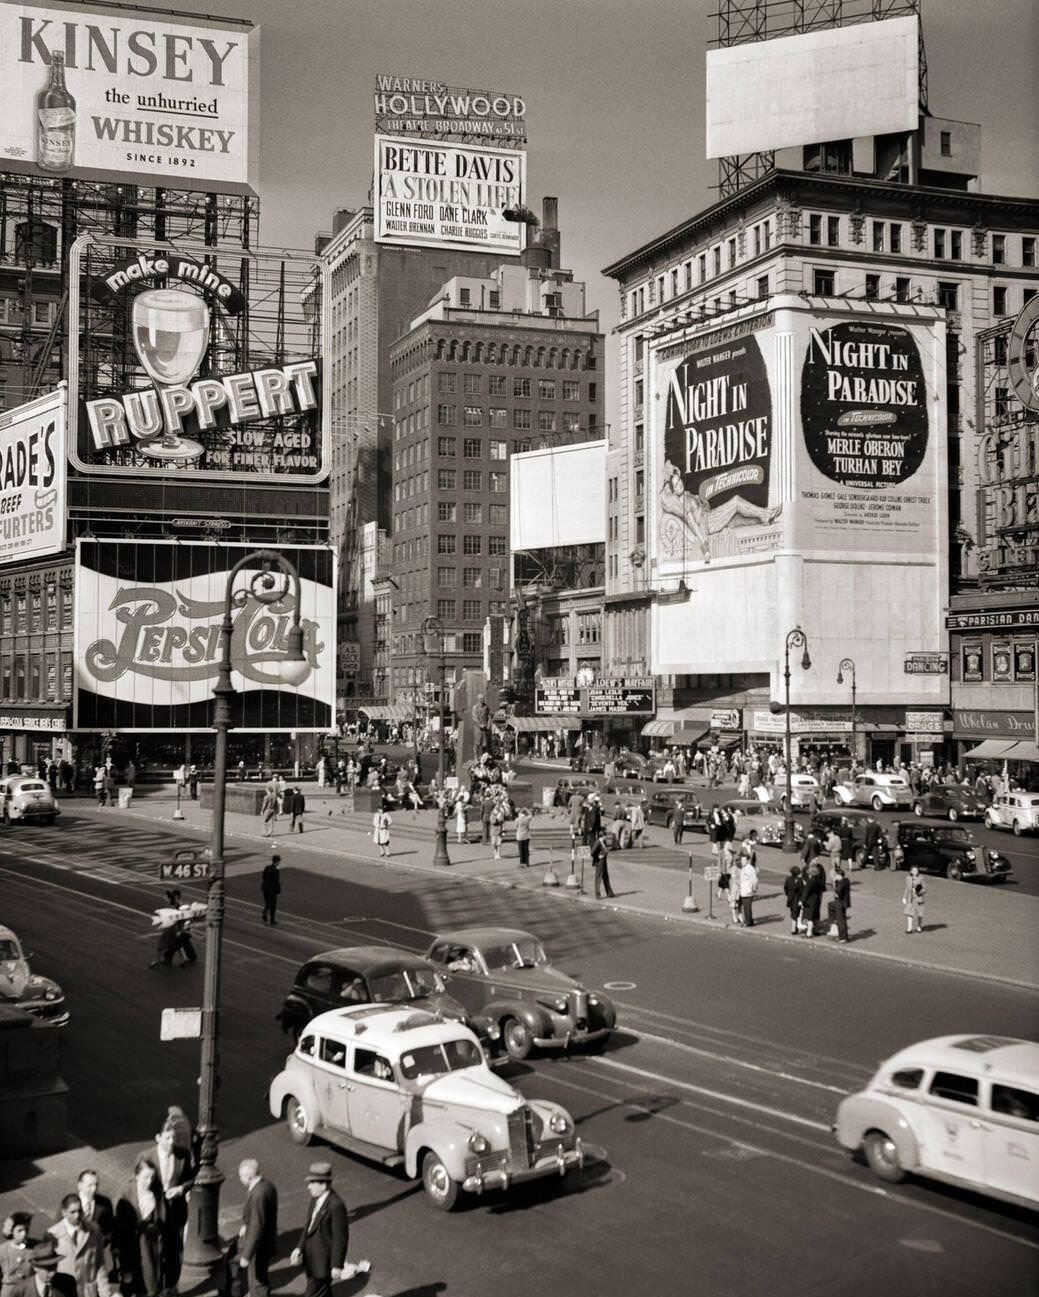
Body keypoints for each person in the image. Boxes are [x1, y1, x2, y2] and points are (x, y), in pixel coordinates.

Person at [289, 1164, 365, 1297]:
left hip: (323, 1264)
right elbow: (309, 1225)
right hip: (312, 1260)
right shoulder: (315, 1199)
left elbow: (340, 1238)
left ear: (323, 1185)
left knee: (313, 1293)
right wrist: (299, 1248)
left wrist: (336, 1265)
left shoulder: (336, 1205)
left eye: (312, 1183)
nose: (309, 1186)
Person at [149, 1121, 193, 1294]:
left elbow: (190, 1178)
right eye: (167, 1138)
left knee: (174, 1250)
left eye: (173, 1138)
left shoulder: (183, 1155)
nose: (171, 1142)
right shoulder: (147, 1157)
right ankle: (156, 1286)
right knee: (155, 1251)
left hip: (176, 1210)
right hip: (154, 1211)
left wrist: (181, 1189)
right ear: (158, 1138)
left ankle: (171, 1287)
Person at [114, 1157, 165, 1297]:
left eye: (152, 1177)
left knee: (149, 1281)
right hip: (129, 1245)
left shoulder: (156, 1191)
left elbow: (161, 1216)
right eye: (145, 1177)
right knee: (130, 1282)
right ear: (137, 1176)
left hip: (148, 1244)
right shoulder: (126, 1191)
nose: (149, 1181)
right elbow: (118, 1222)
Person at [47, 1196, 110, 1297]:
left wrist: (106, 1293)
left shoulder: (93, 1231)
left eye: (79, 1211)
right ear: (63, 1212)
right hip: (64, 1293)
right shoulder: (52, 1235)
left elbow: (100, 1264)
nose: (77, 1215)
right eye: (72, 1212)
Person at [236, 1160, 277, 1297]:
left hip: (258, 1247)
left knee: (257, 1280)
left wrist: (246, 1255)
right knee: (260, 1277)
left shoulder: (258, 1194)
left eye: (241, 1176)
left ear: (249, 1177)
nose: (240, 1179)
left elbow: (257, 1225)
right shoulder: (268, 1186)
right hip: (266, 1242)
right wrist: (245, 1225)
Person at [0, 1214, 36, 1297]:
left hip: (28, 1292)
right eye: (19, 1230)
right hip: (9, 1292)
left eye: (26, 1230)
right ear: (11, 1231)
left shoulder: (34, 1249)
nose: (24, 1234)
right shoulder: (2, 1250)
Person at [737, 833, 759, 927]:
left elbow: (754, 880)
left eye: (744, 860)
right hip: (744, 890)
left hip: (748, 890)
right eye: (742, 860)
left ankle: (748, 922)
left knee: (747, 907)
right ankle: (749, 920)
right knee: (745, 907)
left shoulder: (749, 868)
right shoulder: (744, 868)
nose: (742, 862)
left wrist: (754, 888)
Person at [800, 859, 826, 937]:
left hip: (810, 900)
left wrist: (802, 901)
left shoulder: (810, 881)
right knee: (816, 915)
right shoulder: (818, 880)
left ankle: (809, 932)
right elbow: (823, 888)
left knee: (810, 917)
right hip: (817, 899)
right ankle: (816, 929)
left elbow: (806, 892)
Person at [590, 827, 615, 900]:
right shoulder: (598, 842)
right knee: (598, 878)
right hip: (600, 862)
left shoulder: (603, 842)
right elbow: (592, 852)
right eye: (605, 836)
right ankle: (597, 894)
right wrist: (598, 857)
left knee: (606, 877)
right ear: (602, 836)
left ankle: (609, 892)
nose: (606, 837)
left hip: (604, 861)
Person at [831, 864, 851, 943]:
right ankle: (843, 936)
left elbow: (836, 892)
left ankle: (842, 937)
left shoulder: (841, 883)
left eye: (836, 875)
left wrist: (834, 882)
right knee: (842, 919)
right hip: (844, 903)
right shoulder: (846, 881)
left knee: (841, 920)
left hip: (840, 902)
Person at [903, 865, 925, 934]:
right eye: (913, 870)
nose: (915, 872)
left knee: (919, 914)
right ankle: (909, 928)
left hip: (918, 898)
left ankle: (919, 926)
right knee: (909, 913)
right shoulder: (908, 878)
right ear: (911, 871)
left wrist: (919, 891)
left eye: (916, 870)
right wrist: (904, 897)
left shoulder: (921, 878)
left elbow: (925, 889)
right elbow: (907, 888)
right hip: (911, 898)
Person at [261, 854, 281, 926]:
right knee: (273, 905)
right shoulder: (276, 870)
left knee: (267, 903)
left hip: (265, 888)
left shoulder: (267, 868)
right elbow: (276, 881)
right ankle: (272, 920)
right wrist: (278, 890)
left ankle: (265, 912)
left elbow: (263, 877)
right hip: (272, 890)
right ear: (277, 861)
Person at [783, 865, 804, 935]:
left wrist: (788, 894)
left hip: (790, 899)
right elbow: (802, 891)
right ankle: (794, 929)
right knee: (796, 914)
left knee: (793, 913)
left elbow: (785, 888)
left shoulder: (788, 879)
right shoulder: (800, 881)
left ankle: (794, 928)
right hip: (797, 899)